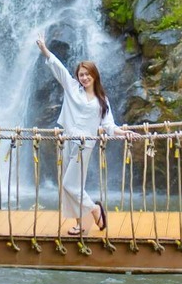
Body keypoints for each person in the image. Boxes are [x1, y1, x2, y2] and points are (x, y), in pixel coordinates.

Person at [36, 36, 135, 235]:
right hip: (67, 141)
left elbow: (108, 125)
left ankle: (95, 209)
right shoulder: (72, 88)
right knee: (71, 186)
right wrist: (45, 49)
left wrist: (122, 132)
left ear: (94, 76)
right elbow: (59, 69)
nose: (84, 78)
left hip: (85, 145)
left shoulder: (101, 100)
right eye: (81, 75)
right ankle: (80, 224)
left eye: (87, 74)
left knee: (69, 184)